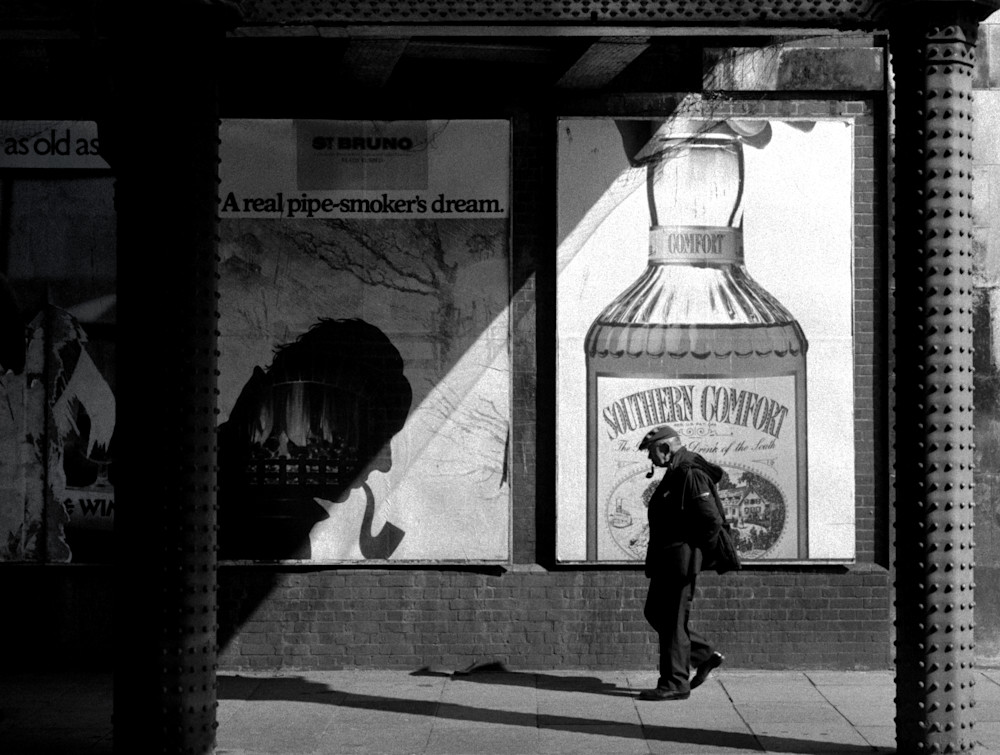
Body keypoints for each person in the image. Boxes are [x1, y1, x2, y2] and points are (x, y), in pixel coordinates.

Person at [636, 424, 726, 701]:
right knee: (657, 613)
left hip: (680, 560)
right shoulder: (676, 472)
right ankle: (703, 654)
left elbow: (712, 520)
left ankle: (674, 682)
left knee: (672, 621)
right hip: (668, 559)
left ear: (665, 447)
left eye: (652, 452)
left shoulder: (689, 473)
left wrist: (696, 552)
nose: (651, 459)